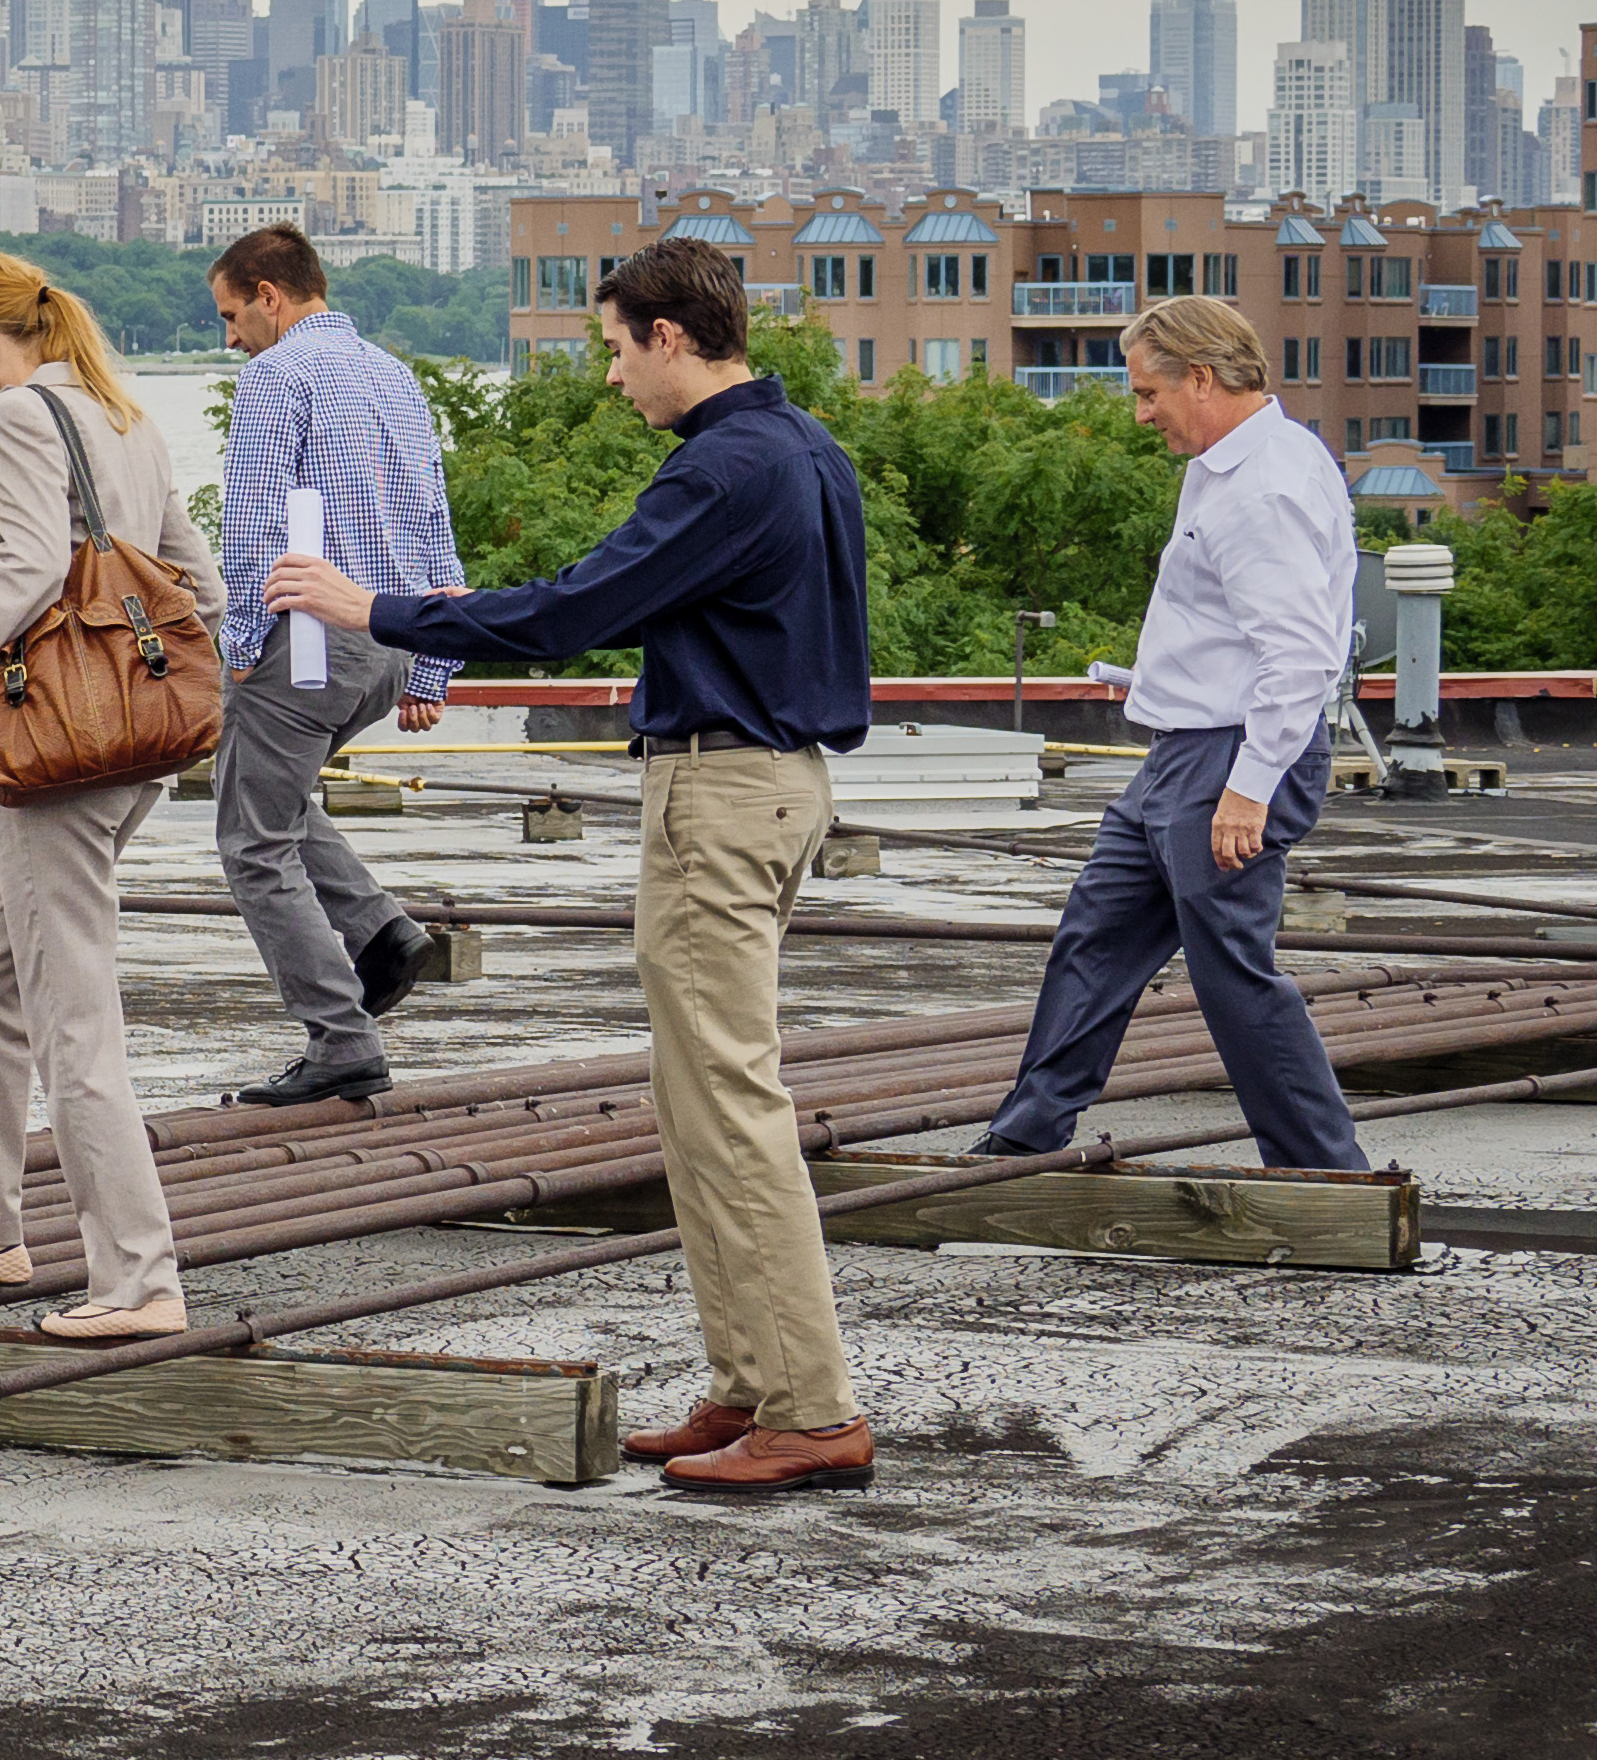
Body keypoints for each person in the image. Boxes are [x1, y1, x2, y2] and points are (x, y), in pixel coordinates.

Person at [264, 234, 881, 1499]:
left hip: (722, 789)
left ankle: (813, 1410)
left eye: (614, 349)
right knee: (698, 1103)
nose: (610, 376)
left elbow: (572, 611)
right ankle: (751, 1385)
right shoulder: (806, 448)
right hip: (772, 783)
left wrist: (372, 610)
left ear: (669, 336)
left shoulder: (722, 470)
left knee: (731, 1104)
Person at [0, 254, 227, 1342]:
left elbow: (25, 570)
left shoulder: (21, 414)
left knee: (73, 1021)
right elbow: (202, 586)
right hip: (131, 751)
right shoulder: (125, 414)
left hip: (57, 752)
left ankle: (139, 1279)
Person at [974, 296, 1367, 1174]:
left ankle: (1325, 1171)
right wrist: (1153, 682)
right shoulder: (1234, 463)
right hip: (1187, 751)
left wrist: (1249, 789)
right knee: (1097, 933)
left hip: (1230, 757)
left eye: (1148, 393)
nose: (1141, 414)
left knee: (1230, 969)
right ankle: (1026, 1138)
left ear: (1202, 377)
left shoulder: (1263, 489)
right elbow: (1232, 632)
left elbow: (1299, 658)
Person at [203, 224, 467, 1105]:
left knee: (252, 843)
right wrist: (432, 667)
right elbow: (433, 525)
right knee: (265, 797)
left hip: (309, 643)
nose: (231, 337)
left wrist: (242, 648)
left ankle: (341, 1037)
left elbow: (252, 527)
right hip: (391, 641)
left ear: (269, 296)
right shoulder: (394, 375)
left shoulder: (276, 377)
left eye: (232, 315)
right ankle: (383, 934)